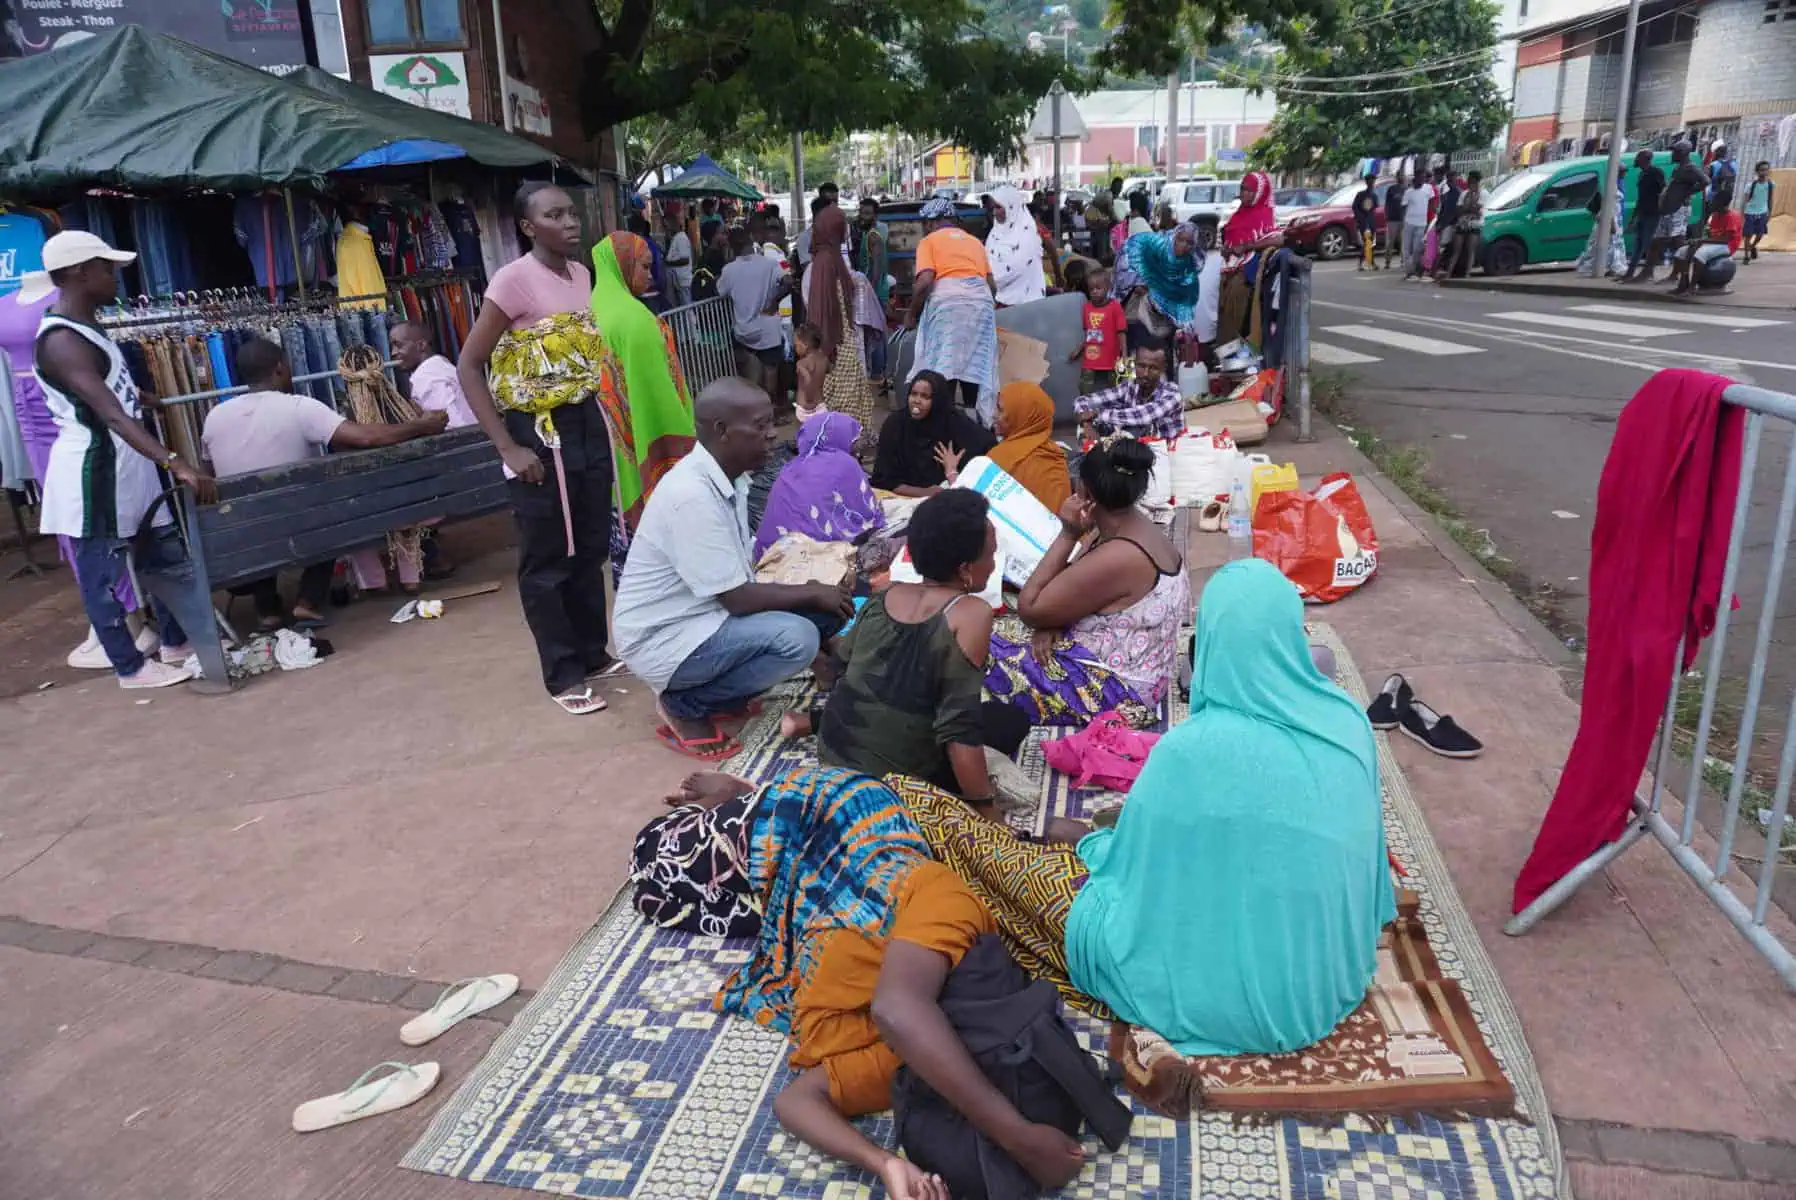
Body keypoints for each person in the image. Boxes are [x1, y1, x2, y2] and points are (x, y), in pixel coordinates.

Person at [641, 766, 1085, 1197]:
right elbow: (897, 1010)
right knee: (650, 851)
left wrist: (884, 1163)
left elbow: (794, 1102)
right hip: (847, 806)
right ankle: (746, 795)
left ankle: (740, 803)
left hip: (799, 879)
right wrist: (1016, 1136)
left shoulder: (909, 1062)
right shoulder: (949, 906)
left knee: (666, 901)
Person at [459, 186, 678, 715]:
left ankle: (591, 652)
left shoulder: (583, 277)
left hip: (587, 421)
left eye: (571, 213)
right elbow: (470, 365)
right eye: (553, 215)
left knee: (590, 545)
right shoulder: (511, 282)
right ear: (529, 227)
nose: (569, 223)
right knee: (547, 555)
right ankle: (561, 674)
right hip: (537, 429)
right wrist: (508, 447)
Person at [614, 377, 852, 761]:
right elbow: (738, 599)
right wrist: (810, 592)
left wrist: (815, 594)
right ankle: (685, 704)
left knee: (824, 610)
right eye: (760, 427)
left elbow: (739, 581)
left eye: (771, 423)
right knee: (799, 637)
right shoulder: (691, 496)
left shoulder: (729, 478)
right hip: (665, 637)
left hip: (704, 618)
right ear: (722, 431)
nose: (773, 435)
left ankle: (722, 692)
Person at [24, 231, 216, 690]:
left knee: (165, 558)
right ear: (78, 272)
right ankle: (129, 667)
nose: (115, 277)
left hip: (130, 465)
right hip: (96, 475)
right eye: (106, 267)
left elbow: (110, 392)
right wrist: (176, 462)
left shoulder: (89, 326)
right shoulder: (61, 341)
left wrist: (142, 398)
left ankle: (175, 640)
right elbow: (107, 412)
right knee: (104, 576)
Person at [202, 339, 447, 629]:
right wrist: (422, 425)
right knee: (331, 515)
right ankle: (308, 600)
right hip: (299, 525)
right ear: (280, 368)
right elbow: (367, 438)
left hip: (240, 535)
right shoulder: (299, 407)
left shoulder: (214, 416)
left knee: (254, 514)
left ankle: (268, 607)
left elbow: (207, 471)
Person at [815, 489, 1028, 804]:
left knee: (988, 715)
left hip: (832, 756)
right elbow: (959, 731)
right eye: (991, 555)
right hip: (892, 786)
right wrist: (986, 811)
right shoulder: (971, 613)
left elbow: (841, 670)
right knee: (1011, 721)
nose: (994, 565)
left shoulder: (883, 596)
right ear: (965, 568)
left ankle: (810, 722)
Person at [988, 434, 1188, 725]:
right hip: (1136, 675)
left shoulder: (1120, 555)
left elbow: (1030, 609)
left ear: (1086, 492)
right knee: (997, 629)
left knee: (980, 649)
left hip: (1117, 694)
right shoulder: (1129, 525)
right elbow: (1070, 586)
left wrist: (1067, 533)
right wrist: (1054, 619)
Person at [904, 198, 1000, 425]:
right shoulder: (975, 242)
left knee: (943, 364)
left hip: (947, 302)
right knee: (975, 363)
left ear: (931, 223)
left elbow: (926, 279)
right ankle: (971, 419)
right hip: (981, 302)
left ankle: (942, 420)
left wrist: (911, 313)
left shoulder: (929, 241)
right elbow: (992, 285)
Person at [752, 410, 883, 559]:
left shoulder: (790, 468)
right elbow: (865, 513)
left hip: (772, 553)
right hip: (816, 557)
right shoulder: (844, 463)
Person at [804, 205, 880, 435]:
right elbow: (822, 309)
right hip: (835, 340)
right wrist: (824, 348)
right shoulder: (826, 262)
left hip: (841, 338)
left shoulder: (829, 257)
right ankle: (842, 442)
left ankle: (847, 441)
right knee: (841, 396)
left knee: (847, 394)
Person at [870, 369, 995, 497]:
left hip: (945, 497)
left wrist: (953, 469)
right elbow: (882, 479)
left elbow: (988, 446)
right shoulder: (896, 424)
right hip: (903, 497)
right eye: (913, 394)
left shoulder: (953, 423)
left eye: (925, 396)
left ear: (937, 400)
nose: (917, 401)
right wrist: (924, 492)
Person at [717, 225, 788, 410]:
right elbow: (788, 281)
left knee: (750, 380)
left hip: (744, 331)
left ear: (732, 247)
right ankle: (770, 413)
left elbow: (720, 291)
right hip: (768, 328)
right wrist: (775, 300)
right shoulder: (769, 264)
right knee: (770, 372)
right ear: (751, 240)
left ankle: (753, 414)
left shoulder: (729, 270)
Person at [1112, 221, 1211, 354]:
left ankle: (1161, 373)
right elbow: (1127, 257)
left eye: (1189, 243)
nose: (1184, 246)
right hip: (1138, 309)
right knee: (1135, 349)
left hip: (1163, 320)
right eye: (1180, 239)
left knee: (1161, 352)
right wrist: (1137, 283)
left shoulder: (1188, 266)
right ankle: (1130, 373)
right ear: (1174, 236)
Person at [1074, 343, 1182, 443]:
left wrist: (1097, 414)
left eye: (1153, 368)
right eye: (1141, 366)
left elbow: (1143, 416)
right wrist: (1087, 423)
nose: (1145, 373)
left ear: (1163, 368)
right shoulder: (1129, 387)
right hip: (1140, 452)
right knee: (1085, 429)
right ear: (1134, 364)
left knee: (1137, 427)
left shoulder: (1172, 393)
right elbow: (1082, 400)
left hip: (1169, 452)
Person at [989, 381, 1070, 512]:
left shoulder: (998, 458)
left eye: (1001, 410)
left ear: (1022, 416)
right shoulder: (1056, 462)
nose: (994, 414)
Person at [1644, 143, 1708, 288]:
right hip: (1668, 210)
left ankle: (1680, 276)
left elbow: (1705, 181)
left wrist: (1688, 192)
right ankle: (1649, 272)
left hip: (1678, 209)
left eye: (1675, 152)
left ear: (1683, 153)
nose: (1672, 155)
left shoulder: (1690, 168)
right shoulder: (1678, 169)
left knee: (1679, 244)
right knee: (1657, 242)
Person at [391, 320, 475, 429]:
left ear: (421, 345)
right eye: (392, 347)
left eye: (398, 345)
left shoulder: (426, 376)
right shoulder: (440, 366)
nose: (393, 353)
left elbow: (450, 424)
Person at [1067, 268, 1125, 397]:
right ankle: (1083, 408)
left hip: (1112, 353)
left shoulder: (1115, 306)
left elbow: (1122, 332)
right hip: (1092, 353)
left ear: (1108, 287)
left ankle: (1117, 409)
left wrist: (1125, 354)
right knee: (1084, 383)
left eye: (1098, 288)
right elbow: (1090, 332)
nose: (1094, 292)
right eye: (1091, 289)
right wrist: (1078, 349)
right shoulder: (1087, 307)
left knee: (1117, 384)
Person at [985, 185, 1046, 307]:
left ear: (1011, 206)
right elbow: (986, 260)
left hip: (1027, 306)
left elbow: (1012, 269)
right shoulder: (995, 232)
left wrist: (982, 281)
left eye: (999, 207)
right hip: (1000, 303)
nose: (994, 212)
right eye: (993, 208)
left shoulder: (1027, 234)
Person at [1622, 150, 1665, 282]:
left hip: (1653, 213)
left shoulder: (1656, 172)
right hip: (1642, 212)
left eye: (1639, 158)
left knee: (1648, 243)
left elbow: (1663, 190)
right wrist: (1633, 217)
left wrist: (1661, 208)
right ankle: (1630, 272)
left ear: (1645, 159)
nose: (1636, 160)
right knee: (1638, 244)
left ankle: (1647, 273)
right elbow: (1640, 198)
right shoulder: (1642, 174)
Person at [1436, 170, 1483, 280]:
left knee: (1470, 250)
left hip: (1474, 224)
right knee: (1456, 250)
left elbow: (1477, 210)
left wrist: (1468, 208)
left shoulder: (1482, 193)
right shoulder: (1464, 193)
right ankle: (1449, 273)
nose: (1469, 182)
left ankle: (1467, 273)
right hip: (1462, 223)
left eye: (1472, 180)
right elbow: (1460, 210)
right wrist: (1471, 208)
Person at [853, 197, 888, 305]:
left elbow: (876, 268)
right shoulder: (866, 232)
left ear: (875, 216)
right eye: (861, 212)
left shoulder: (873, 236)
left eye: (867, 213)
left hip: (874, 293)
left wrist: (869, 293)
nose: (862, 216)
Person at [1400, 173, 1432, 280]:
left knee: (1417, 249)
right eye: (1419, 180)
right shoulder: (1408, 192)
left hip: (1421, 223)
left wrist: (1430, 218)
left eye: (1423, 179)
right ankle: (1408, 271)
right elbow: (1403, 207)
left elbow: (1431, 202)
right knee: (1406, 248)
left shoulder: (1428, 188)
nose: (1421, 182)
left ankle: (1415, 270)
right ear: (1415, 180)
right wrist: (1404, 221)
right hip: (1409, 223)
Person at [793, 322, 827, 421]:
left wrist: (809, 399)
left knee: (803, 434)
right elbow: (829, 370)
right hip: (821, 406)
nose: (795, 348)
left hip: (805, 409)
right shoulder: (824, 359)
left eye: (796, 345)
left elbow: (808, 380)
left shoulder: (801, 363)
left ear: (805, 345)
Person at [1743, 161, 1775, 264]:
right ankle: (1746, 256)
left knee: (1760, 234)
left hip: (1762, 212)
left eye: (1766, 169)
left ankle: (1752, 247)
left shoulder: (1771, 184)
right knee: (1748, 235)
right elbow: (1745, 200)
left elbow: (1770, 199)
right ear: (1757, 171)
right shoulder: (1751, 185)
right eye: (1762, 170)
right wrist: (1743, 213)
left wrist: (1770, 212)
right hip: (1750, 213)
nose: (1765, 172)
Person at [666, 212, 695, 307]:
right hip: (678, 282)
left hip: (683, 281)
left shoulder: (681, 238)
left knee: (687, 309)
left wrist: (668, 263)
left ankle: (692, 322)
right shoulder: (676, 238)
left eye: (667, 225)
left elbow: (685, 260)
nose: (666, 228)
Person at [1352, 174, 1379, 271]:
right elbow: (1355, 207)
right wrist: (1360, 218)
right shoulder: (1361, 194)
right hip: (1364, 222)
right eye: (1370, 180)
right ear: (1366, 182)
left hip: (1371, 221)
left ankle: (1371, 262)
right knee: (1366, 242)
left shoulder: (1374, 195)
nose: (1372, 182)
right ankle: (1361, 263)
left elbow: (1375, 206)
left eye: (1373, 180)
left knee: (1371, 243)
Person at [1382, 172, 1407, 270]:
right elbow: (1387, 204)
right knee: (1390, 242)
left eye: (1402, 175)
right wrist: (1387, 215)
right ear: (1396, 178)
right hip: (1392, 219)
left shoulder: (1407, 189)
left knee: (1403, 241)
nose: (1401, 177)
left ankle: (1403, 261)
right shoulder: (1391, 189)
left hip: (1403, 218)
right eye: (1399, 176)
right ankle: (1387, 261)